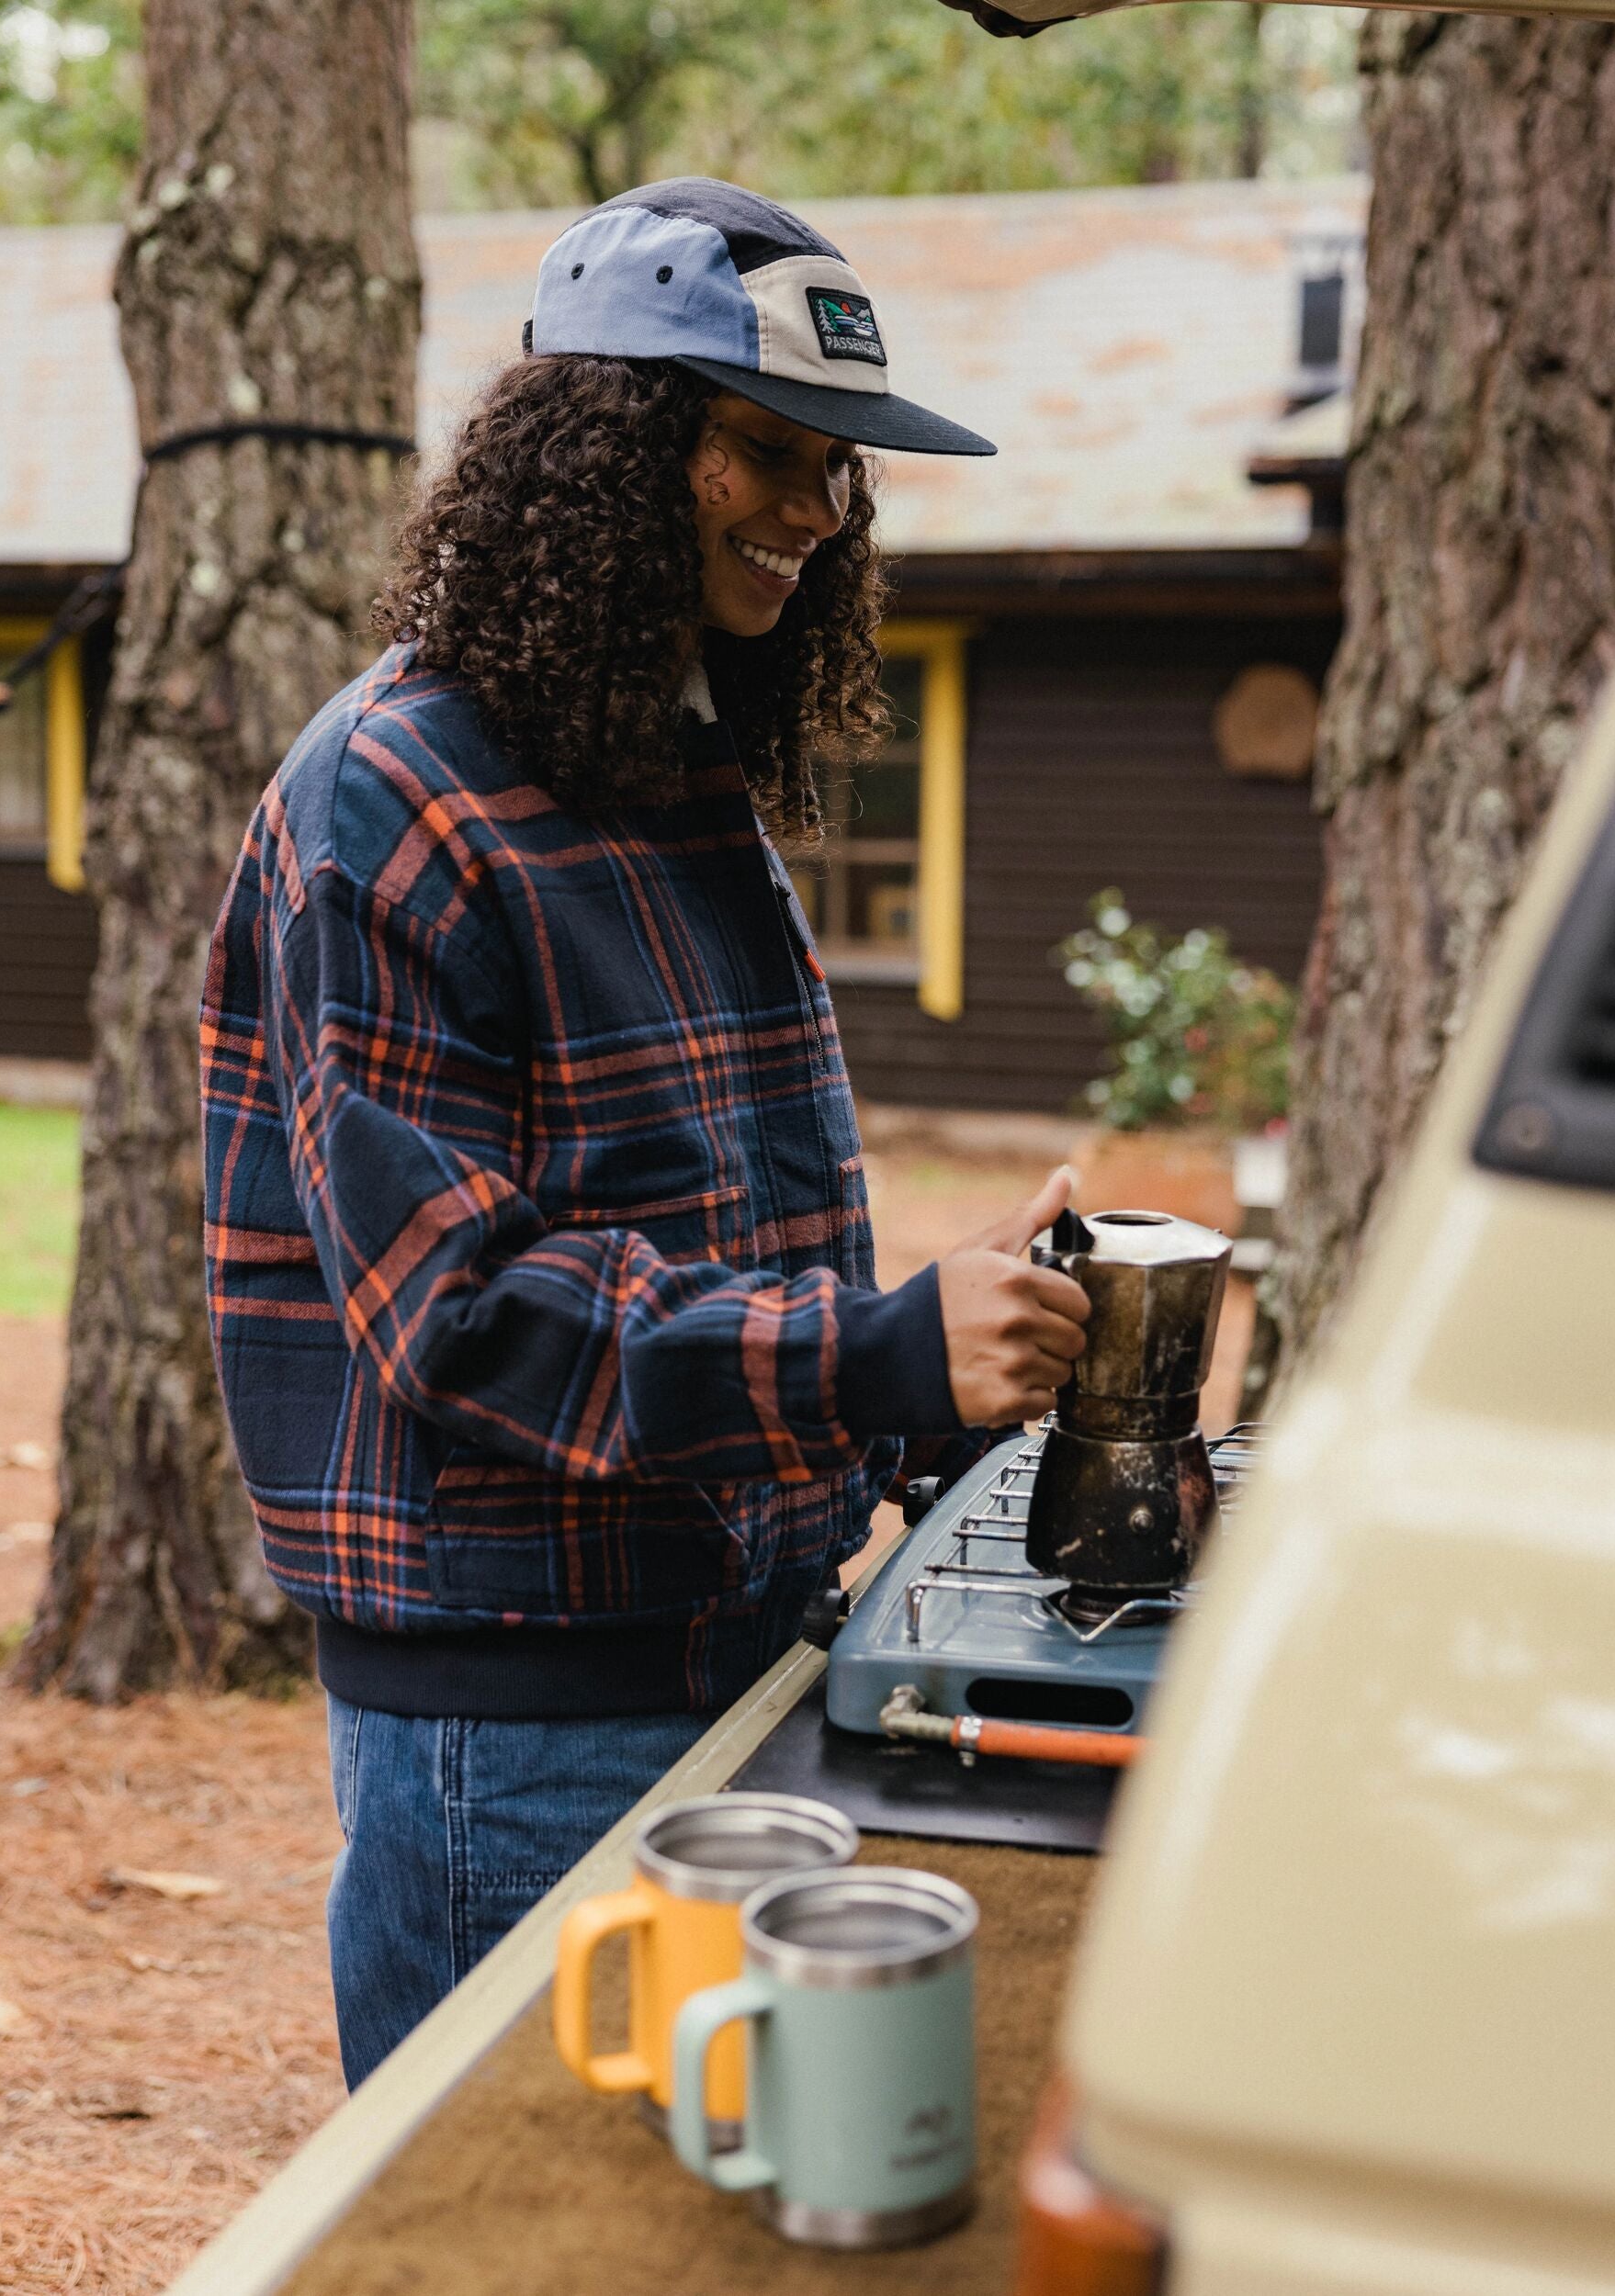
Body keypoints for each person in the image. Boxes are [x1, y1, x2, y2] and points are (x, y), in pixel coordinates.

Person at [199, 178, 1090, 2088]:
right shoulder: (394, 797)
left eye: (838, 468)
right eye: (766, 449)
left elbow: (715, 1250)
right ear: (601, 450)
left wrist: (940, 1367)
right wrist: (866, 1342)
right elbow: (462, 1310)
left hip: (735, 1655)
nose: (819, 508)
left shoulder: (680, 774)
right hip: (518, 1731)